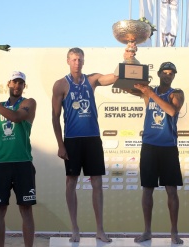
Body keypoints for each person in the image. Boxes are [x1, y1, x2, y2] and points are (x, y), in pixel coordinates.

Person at [52, 47, 126, 242]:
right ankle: (74, 228)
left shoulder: (91, 80)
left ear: (84, 61)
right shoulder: (60, 85)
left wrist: (127, 56)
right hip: (73, 140)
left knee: (97, 183)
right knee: (71, 182)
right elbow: (55, 117)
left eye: (80, 59)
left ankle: (99, 230)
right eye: (74, 59)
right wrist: (60, 144)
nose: (77, 63)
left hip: (92, 138)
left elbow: (115, 77)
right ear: (68, 61)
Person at [0, 71, 37, 247]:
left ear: (24, 86)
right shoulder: (0, 105)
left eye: (21, 83)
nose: (17, 86)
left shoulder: (28, 102)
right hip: (0, 164)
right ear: (8, 84)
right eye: (14, 82)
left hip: (22, 163)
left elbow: (16, 117)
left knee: (26, 209)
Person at [130, 62, 184, 244]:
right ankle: (147, 231)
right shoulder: (148, 91)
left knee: (171, 191)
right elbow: (129, 88)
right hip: (149, 146)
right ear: (159, 74)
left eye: (171, 73)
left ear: (173, 76)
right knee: (147, 189)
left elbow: (171, 110)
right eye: (165, 72)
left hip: (168, 146)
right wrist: (130, 62)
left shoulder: (176, 93)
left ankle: (174, 232)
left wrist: (150, 93)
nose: (168, 75)